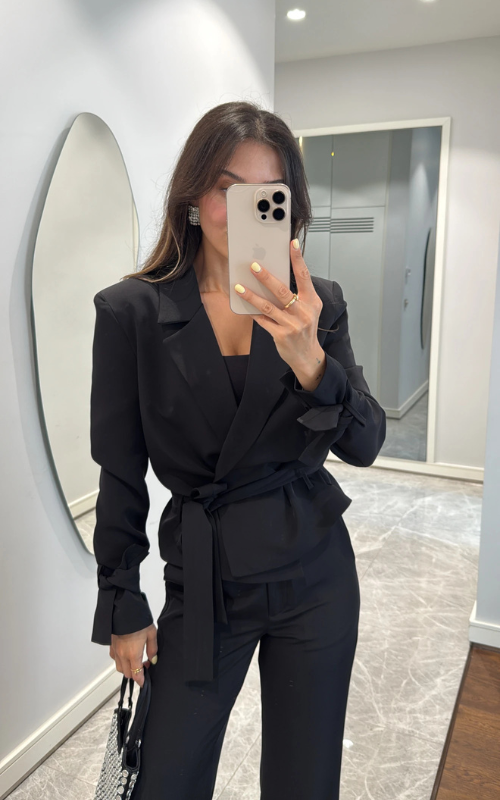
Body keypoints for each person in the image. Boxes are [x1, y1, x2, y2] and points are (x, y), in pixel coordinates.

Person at [90, 100, 386, 799]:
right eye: (227, 188)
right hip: (206, 579)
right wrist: (121, 600)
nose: (244, 208)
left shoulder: (317, 304)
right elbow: (120, 470)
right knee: (166, 778)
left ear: (287, 206)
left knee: (304, 781)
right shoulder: (132, 312)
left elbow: (366, 442)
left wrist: (311, 359)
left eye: (266, 193)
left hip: (314, 572)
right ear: (194, 198)